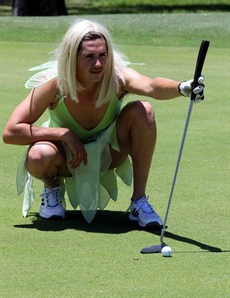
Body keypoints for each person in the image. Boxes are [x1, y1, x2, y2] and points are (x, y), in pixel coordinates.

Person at [3, 19, 204, 228]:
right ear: (72, 57)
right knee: (38, 155)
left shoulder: (117, 78)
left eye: (102, 55)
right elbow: (10, 132)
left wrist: (182, 87)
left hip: (107, 154)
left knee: (144, 110)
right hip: (65, 159)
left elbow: (152, 86)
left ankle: (139, 201)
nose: (98, 64)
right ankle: (52, 188)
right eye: (89, 57)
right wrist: (63, 133)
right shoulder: (54, 84)